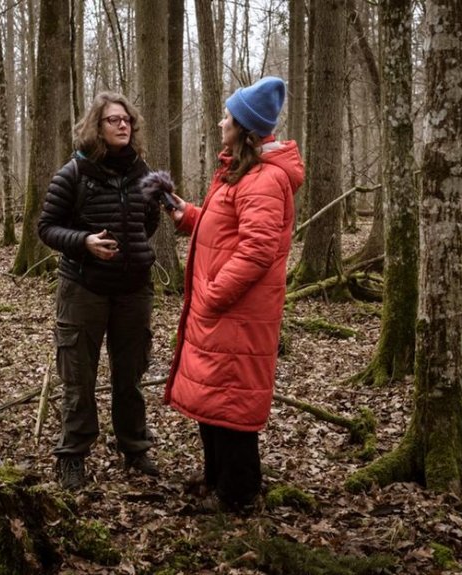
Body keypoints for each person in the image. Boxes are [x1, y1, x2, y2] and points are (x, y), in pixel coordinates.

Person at [162, 76, 305, 511]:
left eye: (227, 116)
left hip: (235, 312)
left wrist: (213, 294)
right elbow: (224, 228)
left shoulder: (264, 178)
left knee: (232, 403)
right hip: (222, 311)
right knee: (215, 400)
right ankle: (215, 476)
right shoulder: (241, 172)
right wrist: (185, 213)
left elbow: (257, 248)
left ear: (244, 128)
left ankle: (238, 493)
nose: (220, 121)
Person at [38, 92, 162, 490]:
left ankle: (135, 448)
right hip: (83, 289)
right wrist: (85, 242)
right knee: (79, 376)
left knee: (131, 375)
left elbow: (150, 222)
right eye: (113, 120)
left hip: (133, 292)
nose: (122, 125)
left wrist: (131, 253)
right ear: (97, 126)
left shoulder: (145, 174)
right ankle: (73, 454)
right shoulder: (73, 173)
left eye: (127, 120)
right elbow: (47, 228)